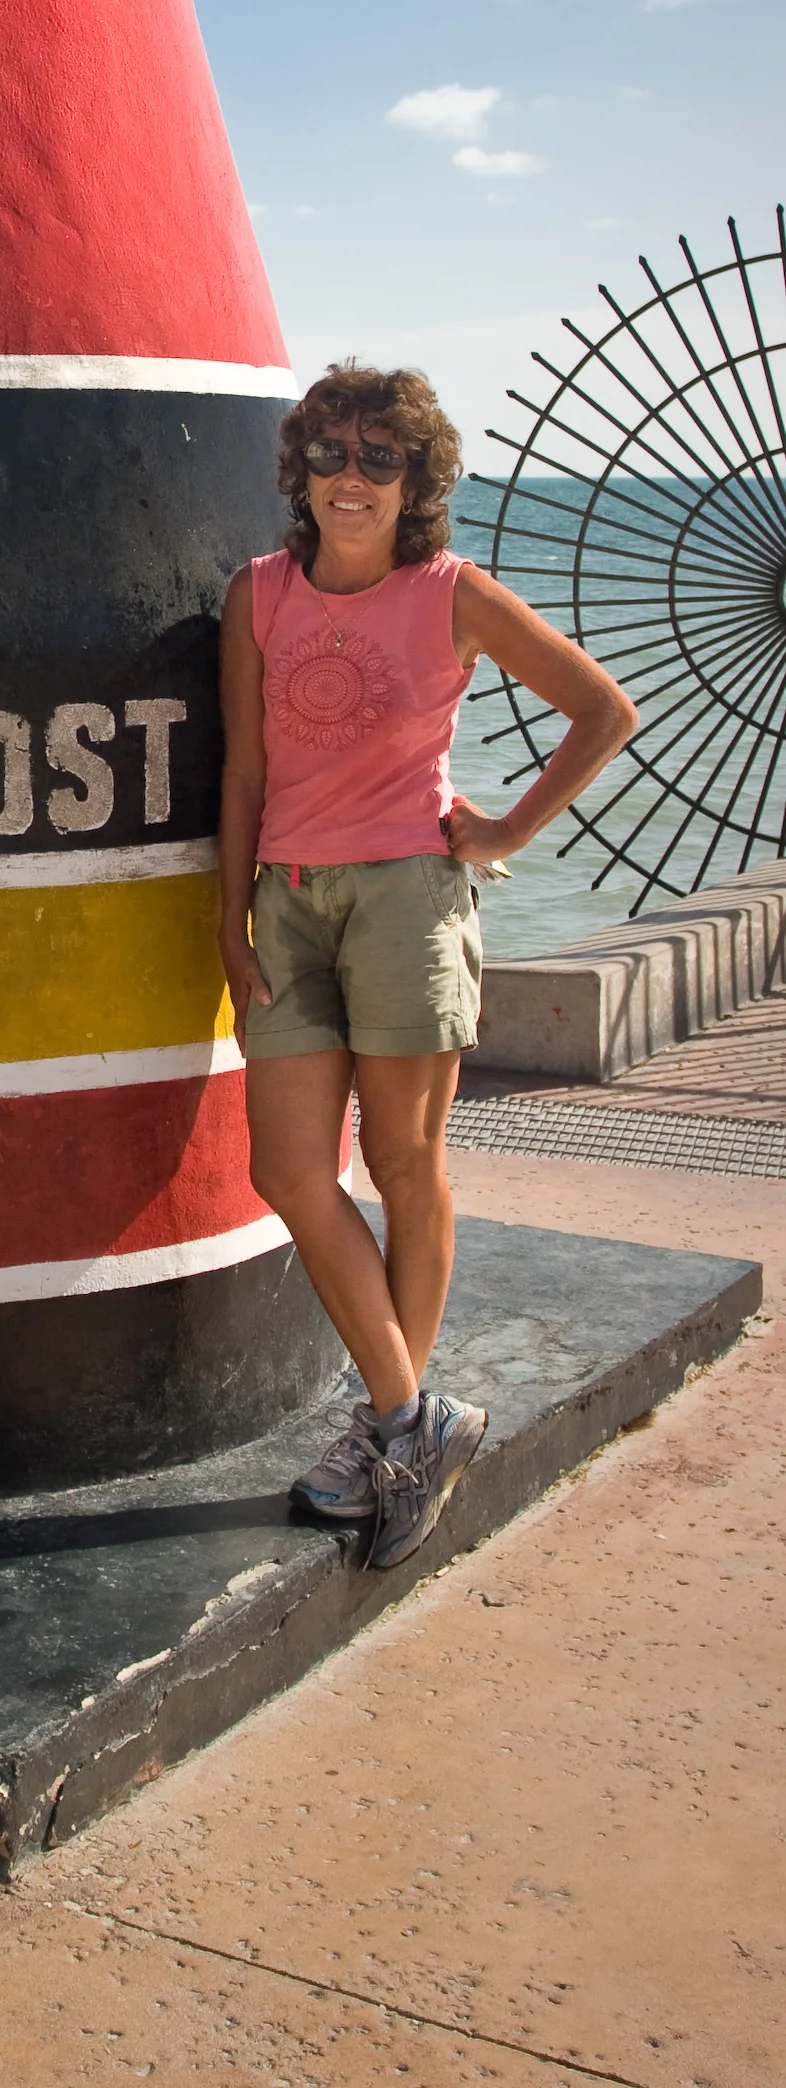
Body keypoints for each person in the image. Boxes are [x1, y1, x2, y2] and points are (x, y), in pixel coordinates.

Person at [218, 362, 634, 1568]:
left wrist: (505, 831)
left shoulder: (451, 594)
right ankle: (414, 1422)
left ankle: (390, 1431)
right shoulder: (260, 593)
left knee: (404, 1161)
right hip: (287, 906)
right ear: (301, 471)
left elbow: (601, 710)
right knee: (291, 1171)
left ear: (416, 480)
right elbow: (245, 771)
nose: (352, 479)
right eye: (332, 455)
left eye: (379, 459)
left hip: (408, 895)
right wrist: (225, 917)